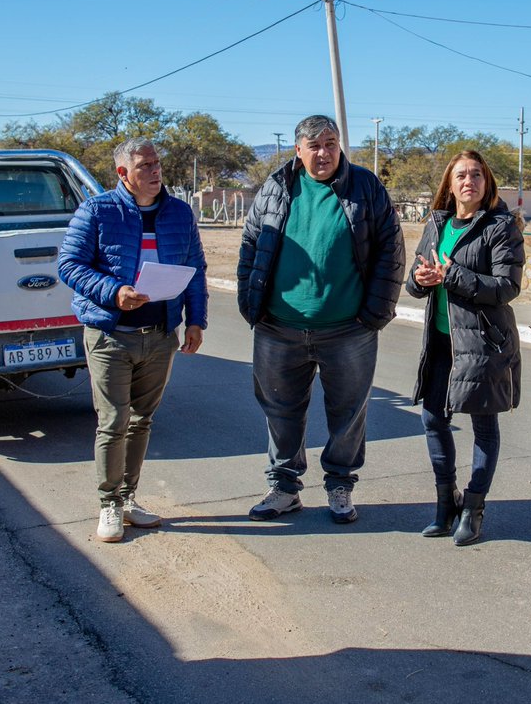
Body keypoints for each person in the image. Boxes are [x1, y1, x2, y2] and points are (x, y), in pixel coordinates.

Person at [238, 114, 404, 524]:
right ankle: (284, 487)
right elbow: (250, 245)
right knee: (280, 410)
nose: (323, 152)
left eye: (330, 143)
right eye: (314, 145)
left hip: (349, 329)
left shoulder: (365, 186)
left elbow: (390, 249)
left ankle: (341, 485)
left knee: (348, 413)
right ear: (298, 150)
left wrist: (375, 313)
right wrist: (251, 305)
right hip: (279, 326)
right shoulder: (276, 188)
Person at [58, 138, 208, 543]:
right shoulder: (96, 210)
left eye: (157, 164)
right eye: (145, 166)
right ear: (123, 173)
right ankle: (108, 504)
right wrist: (114, 292)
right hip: (111, 336)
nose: (155, 172)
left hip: (160, 336)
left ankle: (128, 498)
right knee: (113, 422)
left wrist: (196, 320)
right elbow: (69, 265)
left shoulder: (178, 213)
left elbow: (193, 266)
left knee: (142, 420)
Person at [405, 150, 524, 545]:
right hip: (441, 341)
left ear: (486, 182)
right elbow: (415, 282)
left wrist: (451, 274)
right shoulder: (437, 223)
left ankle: (473, 509)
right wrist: (421, 280)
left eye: (476, 174)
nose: (468, 181)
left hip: (483, 343)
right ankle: (445, 503)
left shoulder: (500, 227)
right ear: (450, 184)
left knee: (483, 427)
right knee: (433, 420)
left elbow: (507, 287)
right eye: (460, 175)